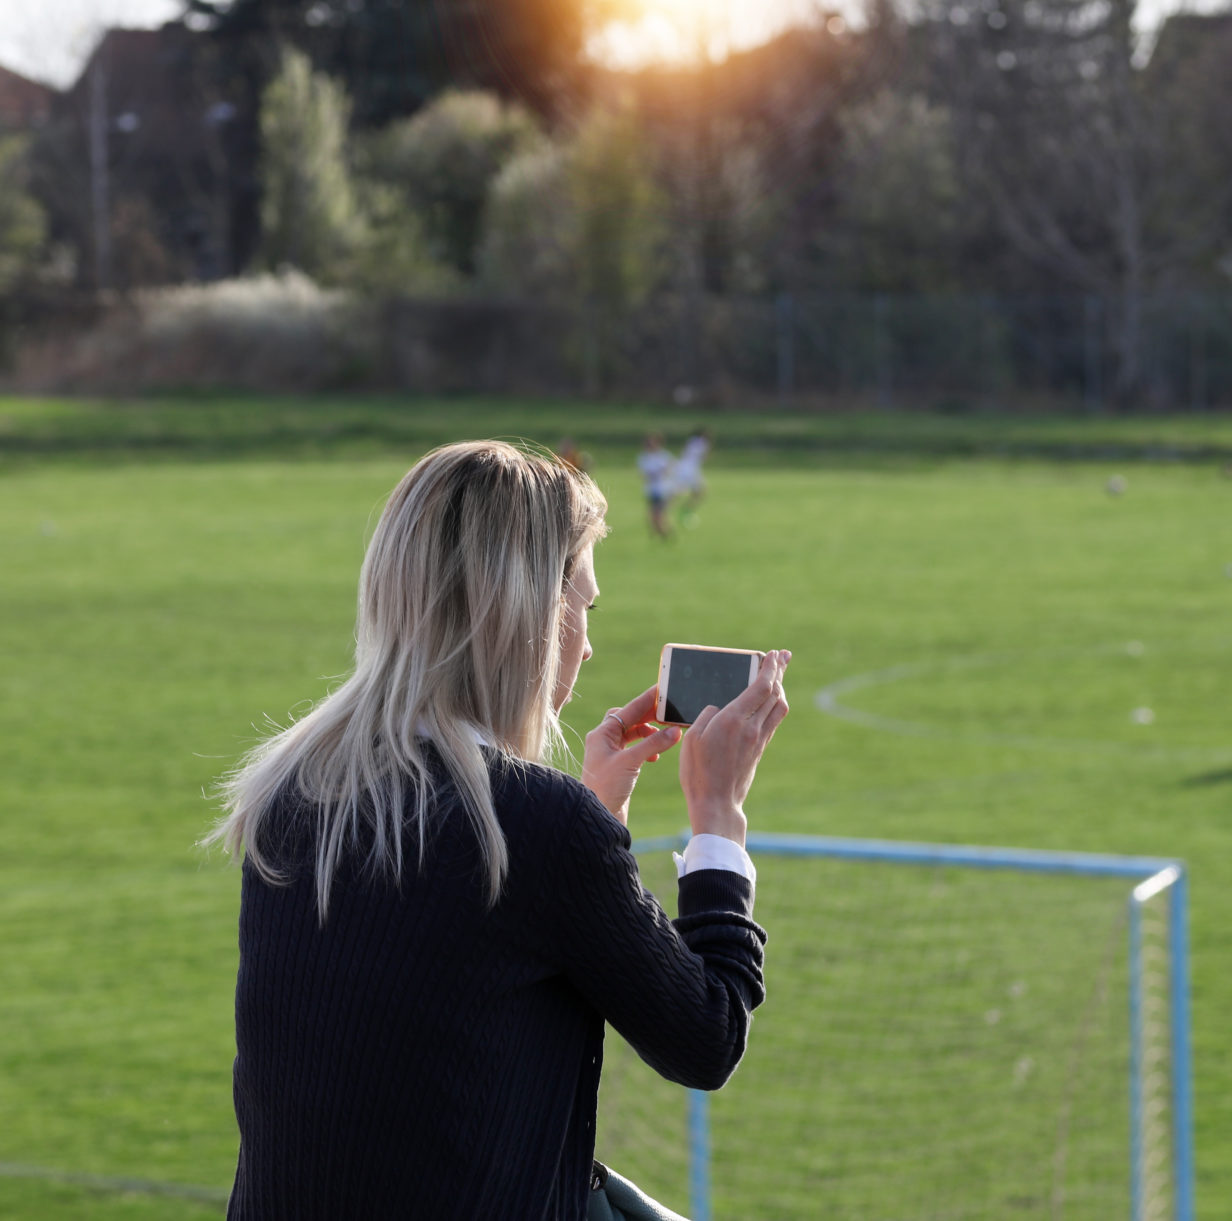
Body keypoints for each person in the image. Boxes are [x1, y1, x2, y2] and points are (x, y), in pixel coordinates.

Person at [205, 440, 793, 1219]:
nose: (586, 641)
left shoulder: (293, 791)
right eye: (583, 604)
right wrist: (718, 814)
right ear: (530, 613)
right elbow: (706, 1038)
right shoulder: (536, 826)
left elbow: (463, 960)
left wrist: (597, 811)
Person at [668, 427, 712, 523]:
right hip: (690, 470)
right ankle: (681, 512)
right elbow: (704, 457)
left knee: (680, 492)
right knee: (697, 492)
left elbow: (684, 453)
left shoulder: (691, 441)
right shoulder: (703, 443)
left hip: (683, 467)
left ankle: (681, 511)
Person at [637, 432, 675, 539]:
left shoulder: (663, 456)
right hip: (651, 490)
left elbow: (671, 469)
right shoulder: (644, 457)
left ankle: (666, 535)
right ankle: (663, 534)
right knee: (655, 517)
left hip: (662, 490)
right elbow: (643, 474)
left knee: (657, 515)